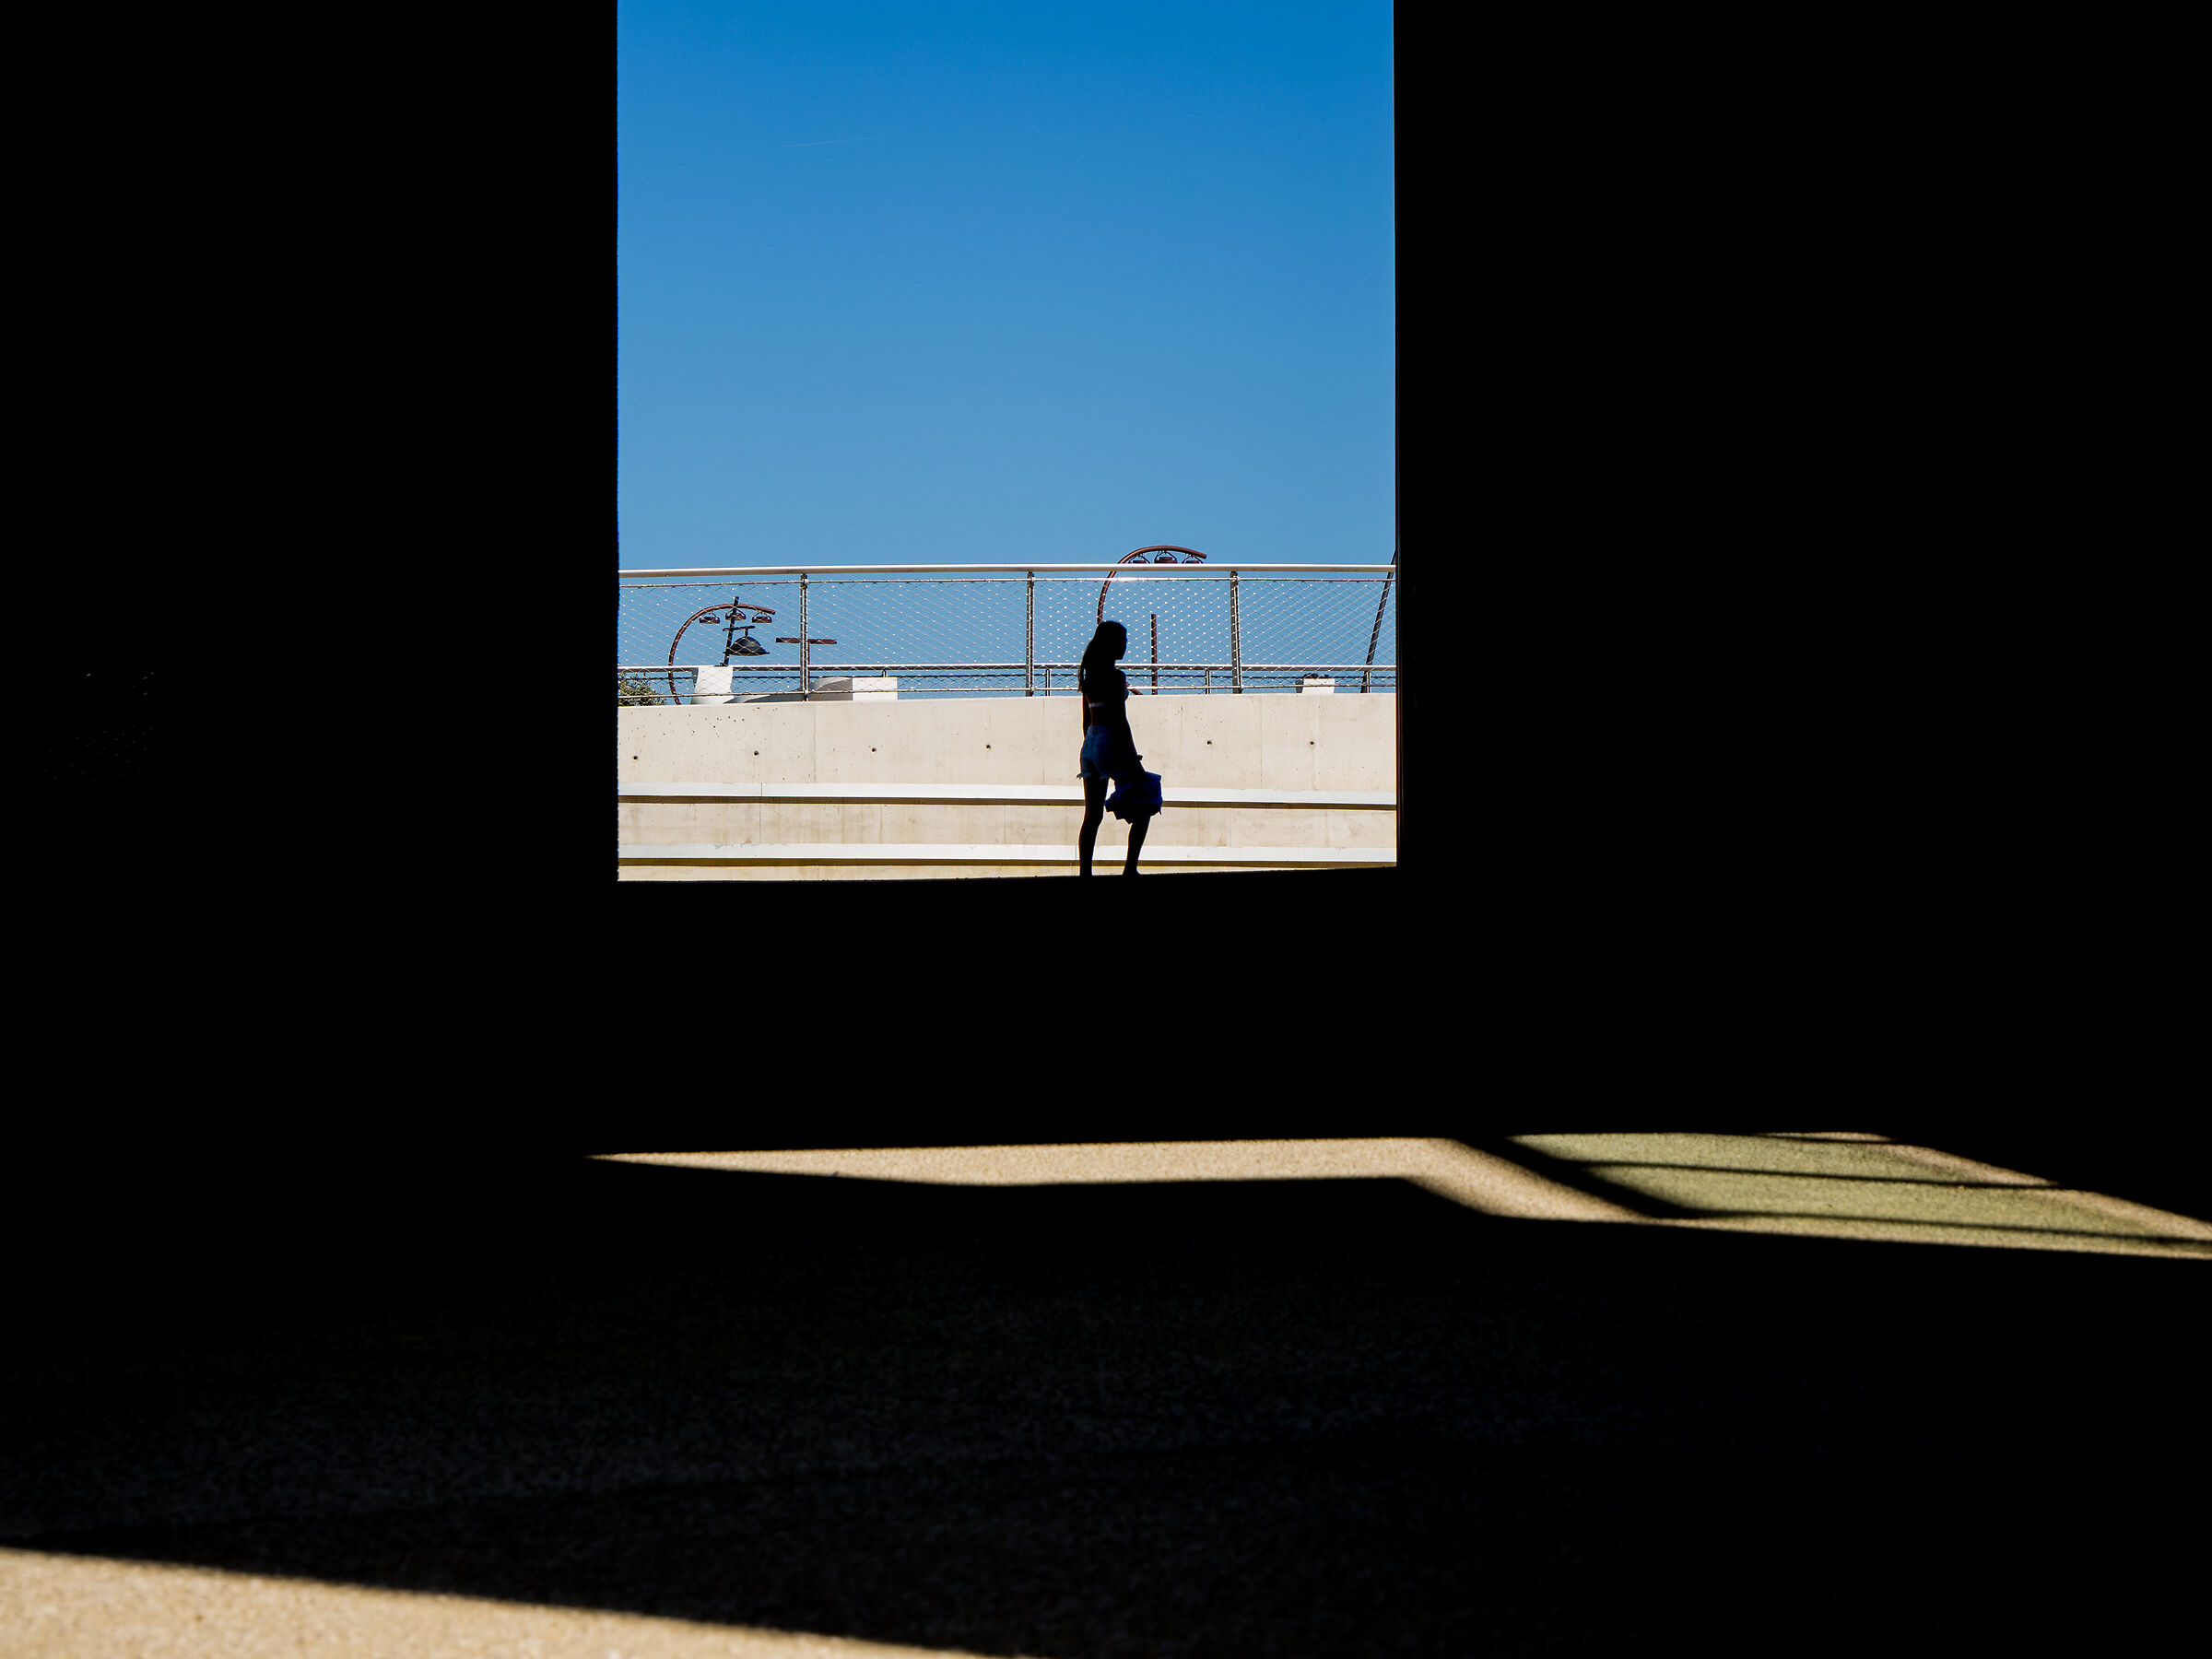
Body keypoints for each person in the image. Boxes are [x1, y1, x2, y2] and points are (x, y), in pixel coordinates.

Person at [1076, 620, 1155, 877]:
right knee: (1146, 801)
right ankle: (1130, 869)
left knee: (1092, 815)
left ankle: (1085, 874)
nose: (1126, 644)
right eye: (1123, 640)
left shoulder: (1089, 677)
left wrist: (1093, 747)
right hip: (1111, 740)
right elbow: (1120, 721)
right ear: (1112, 644)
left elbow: (1086, 722)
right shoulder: (1117, 677)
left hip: (1091, 744)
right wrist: (1132, 758)